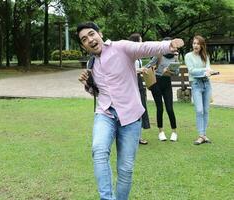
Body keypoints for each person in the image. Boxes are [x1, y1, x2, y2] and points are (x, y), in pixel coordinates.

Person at [77, 22, 184, 200]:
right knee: (99, 150)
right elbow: (97, 91)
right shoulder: (91, 63)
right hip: (105, 114)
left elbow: (144, 47)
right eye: (84, 39)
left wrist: (168, 45)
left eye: (91, 34)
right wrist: (87, 84)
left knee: (125, 169)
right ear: (83, 45)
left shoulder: (121, 47)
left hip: (131, 117)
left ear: (100, 34)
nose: (90, 40)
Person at [145, 37, 179, 142]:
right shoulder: (158, 55)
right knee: (160, 108)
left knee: (170, 108)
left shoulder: (175, 57)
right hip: (157, 83)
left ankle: (174, 132)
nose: (171, 47)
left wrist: (169, 71)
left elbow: (177, 72)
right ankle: (161, 132)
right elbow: (148, 66)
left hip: (167, 83)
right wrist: (153, 70)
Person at [184, 35, 217, 145]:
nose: (195, 45)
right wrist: (205, 70)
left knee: (206, 110)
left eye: (198, 43)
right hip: (196, 84)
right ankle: (201, 135)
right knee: (199, 110)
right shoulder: (188, 56)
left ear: (202, 45)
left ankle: (203, 135)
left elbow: (208, 69)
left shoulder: (205, 56)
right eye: (194, 43)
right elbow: (192, 71)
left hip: (207, 84)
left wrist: (210, 72)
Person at [128, 33, 150, 145]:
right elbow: (127, 70)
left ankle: (138, 136)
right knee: (133, 110)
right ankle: (133, 137)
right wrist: (140, 70)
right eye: (140, 41)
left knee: (141, 108)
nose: (142, 43)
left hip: (139, 83)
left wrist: (142, 70)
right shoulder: (129, 55)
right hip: (131, 84)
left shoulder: (138, 56)